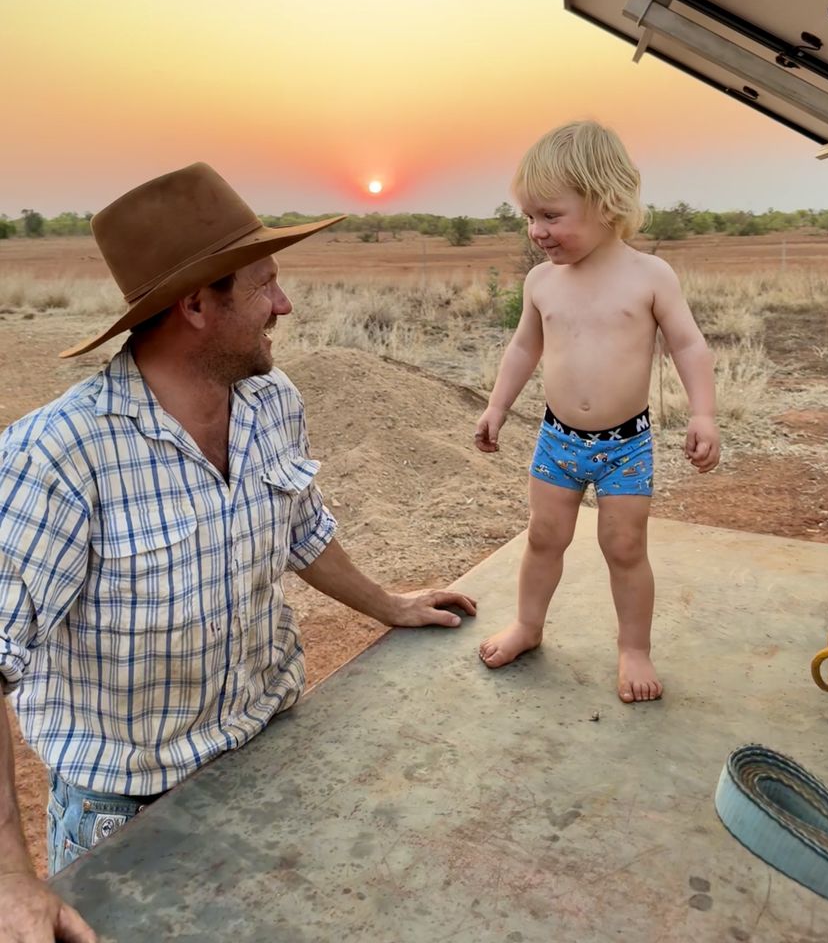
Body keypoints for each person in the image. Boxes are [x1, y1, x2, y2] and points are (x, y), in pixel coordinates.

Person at [0, 162, 476, 943]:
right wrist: (8, 884)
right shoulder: (60, 456)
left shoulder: (270, 401)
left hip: (266, 754)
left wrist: (390, 603)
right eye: (265, 285)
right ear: (194, 304)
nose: (283, 305)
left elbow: (300, 530)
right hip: (127, 813)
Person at [474, 121, 718, 702]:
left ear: (606, 202)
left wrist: (703, 414)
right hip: (557, 440)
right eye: (528, 218)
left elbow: (689, 344)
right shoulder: (541, 283)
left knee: (625, 548)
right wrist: (497, 406)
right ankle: (528, 627)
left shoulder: (650, 276)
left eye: (550, 215)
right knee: (544, 537)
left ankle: (634, 649)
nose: (537, 231)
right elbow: (524, 348)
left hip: (625, 447)